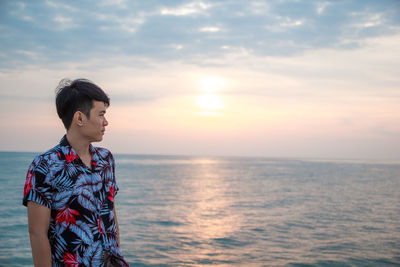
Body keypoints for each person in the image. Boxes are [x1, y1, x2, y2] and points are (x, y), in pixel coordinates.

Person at [22, 79, 129, 266]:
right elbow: (37, 233)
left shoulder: (106, 159)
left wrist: (116, 256)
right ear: (79, 118)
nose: (106, 122)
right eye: (101, 114)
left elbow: (110, 213)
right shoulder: (45, 165)